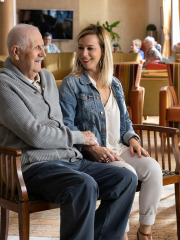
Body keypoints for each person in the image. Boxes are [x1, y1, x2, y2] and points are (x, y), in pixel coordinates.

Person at [0, 24, 138, 240]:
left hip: (67, 159)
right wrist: (79, 137)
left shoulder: (45, 77)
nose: (43, 53)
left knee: (125, 178)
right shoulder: (4, 86)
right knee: (83, 185)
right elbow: (35, 134)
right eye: (36, 47)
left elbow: (56, 123)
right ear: (16, 52)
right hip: (32, 167)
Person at [59, 24, 162, 240]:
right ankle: (119, 233)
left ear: (103, 51)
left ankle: (145, 231)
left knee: (153, 169)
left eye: (90, 49)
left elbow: (125, 121)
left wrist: (132, 138)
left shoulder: (114, 83)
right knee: (129, 175)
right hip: (96, 153)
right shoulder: (72, 84)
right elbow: (66, 125)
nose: (84, 54)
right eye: (80, 48)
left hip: (120, 147)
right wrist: (92, 147)